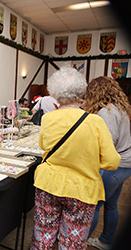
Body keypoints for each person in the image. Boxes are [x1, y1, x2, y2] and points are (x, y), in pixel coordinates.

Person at [31, 67, 120, 250]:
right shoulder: (96, 122)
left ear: (55, 92)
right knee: (72, 242)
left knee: (43, 237)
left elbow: (43, 145)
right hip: (82, 189)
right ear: (80, 92)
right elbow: (111, 162)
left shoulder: (48, 119)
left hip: (48, 184)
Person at [85, 76, 131, 250]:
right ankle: (106, 241)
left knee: (94, 205)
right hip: (125, 164)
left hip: (115, 166)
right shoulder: (121, 107)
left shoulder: (106, 112)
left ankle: (81, 241)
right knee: (111, 205)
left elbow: (108, 144)